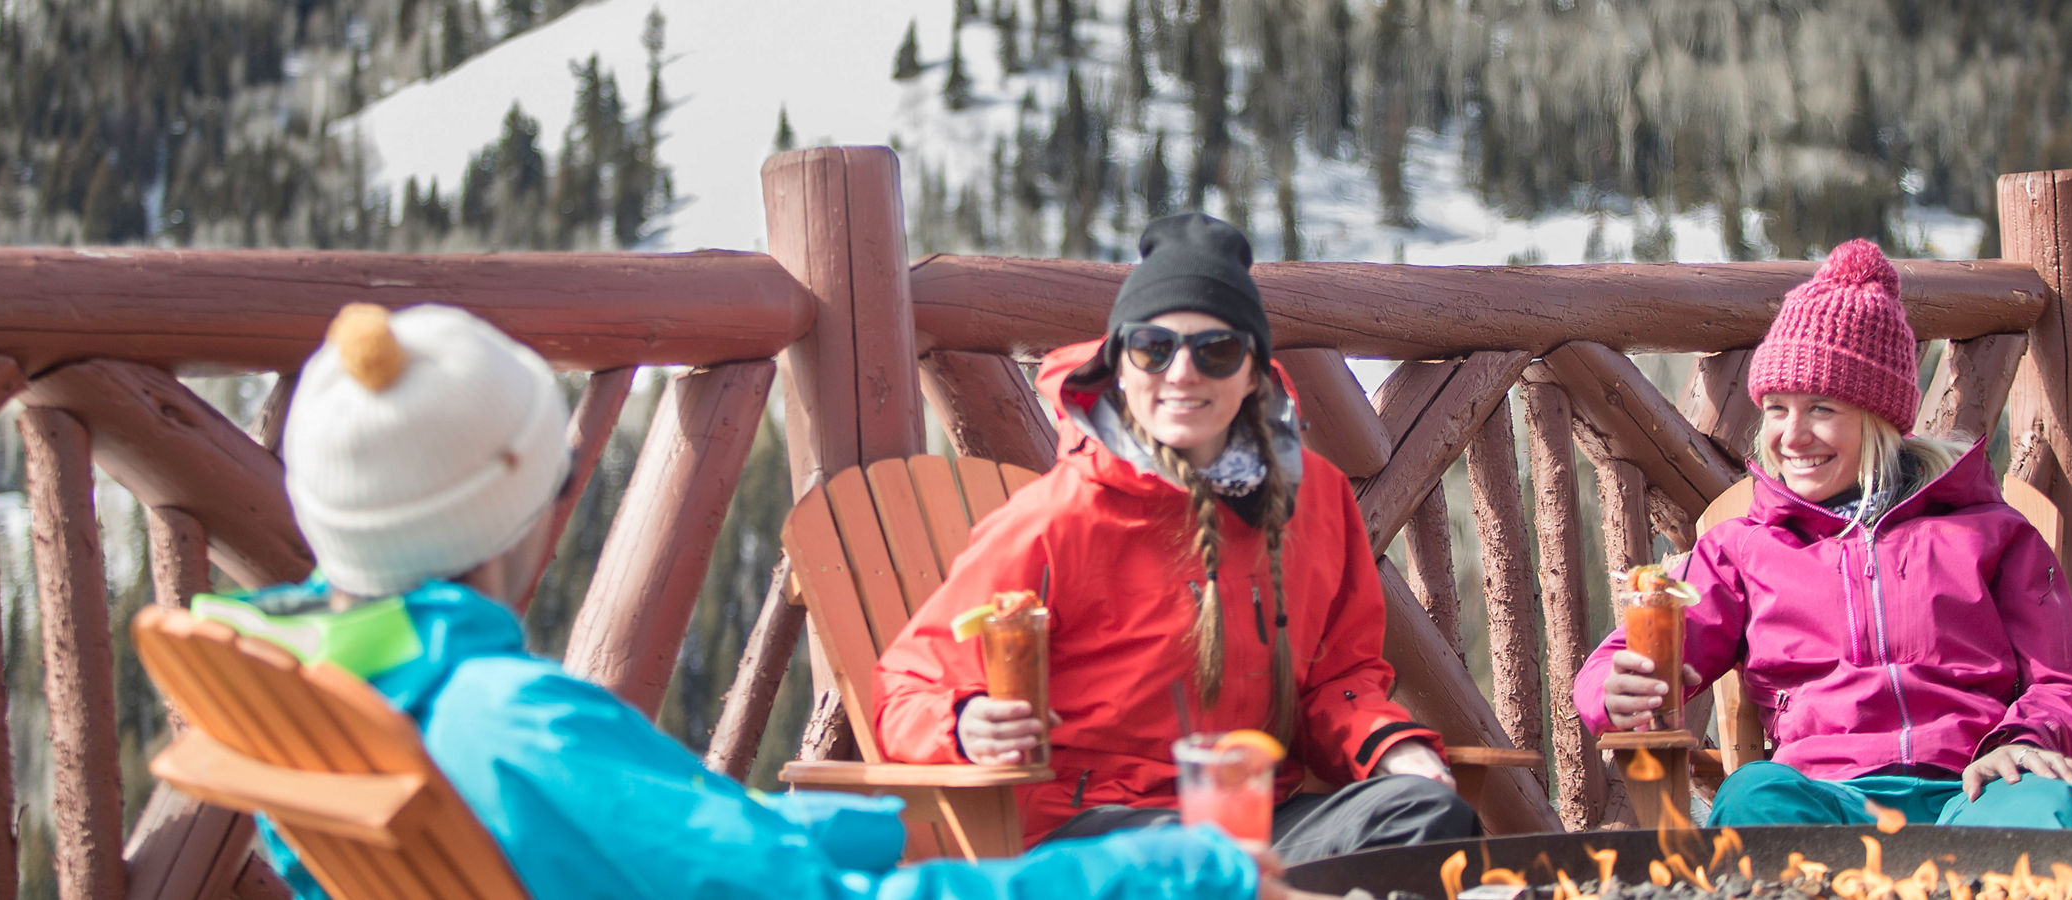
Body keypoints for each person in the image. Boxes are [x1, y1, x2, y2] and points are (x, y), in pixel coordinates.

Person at [199, 302, 1293, 900]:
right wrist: (1186, 869)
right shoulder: (509, 727)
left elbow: (665, 845)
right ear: (533, 504)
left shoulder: (324, 682)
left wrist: (855, 828)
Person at [874, 214, 1480, 864]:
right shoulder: (1055, 519)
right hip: (1099, 833)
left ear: (1252, 373)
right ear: (1119, 367)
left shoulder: (1317, 501)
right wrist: (963, 723)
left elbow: (1339, 678)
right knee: (1207, 871)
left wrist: (1392, 747)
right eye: (1153, 349)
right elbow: (905, 690)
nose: (1182, 373)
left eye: (1215, 350)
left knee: (1430, 817)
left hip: (1256, 821)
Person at [1575, 239, 2072, 831]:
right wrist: (1610, 691)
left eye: (1822, 408)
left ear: (1879, 417)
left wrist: (2027, 740)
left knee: (2051, 808)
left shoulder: (1990, 534)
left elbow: (2067, 686)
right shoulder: (1744, 550)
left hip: (1973, 794)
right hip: (1826, 801)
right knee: (1753, 794)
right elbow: (1626, 657)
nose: (1792, 436)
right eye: (1776, 408)